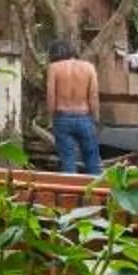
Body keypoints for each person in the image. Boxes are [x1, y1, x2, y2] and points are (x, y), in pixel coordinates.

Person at [46, 39, 101, 174]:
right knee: (92, 159)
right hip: (85, 116)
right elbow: (93, 95)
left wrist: (50, 118)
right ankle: (97, 193)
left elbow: (51, 96)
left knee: (67, 160)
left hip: (62, 117)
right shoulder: (89, 67)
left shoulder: (54, 68)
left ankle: (70, 193)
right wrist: (96, 118)